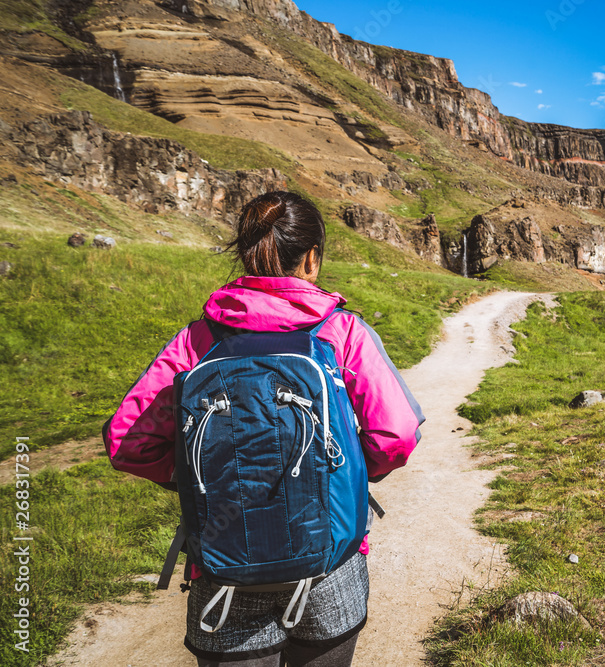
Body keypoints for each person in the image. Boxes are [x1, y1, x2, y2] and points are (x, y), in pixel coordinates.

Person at [103, 191, 424, 666]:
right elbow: (395, 437)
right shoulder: (341, 333)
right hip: (329, 567)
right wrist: (346, 472)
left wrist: (196, 475)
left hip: (224, 566)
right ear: (311, 258)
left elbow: (127, 441)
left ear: (246, 253)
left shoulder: (199, 339)